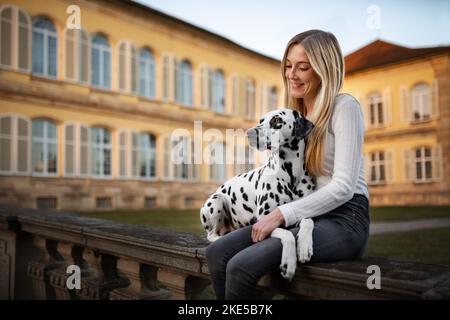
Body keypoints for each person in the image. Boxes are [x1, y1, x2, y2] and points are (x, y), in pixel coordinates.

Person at [205, 30, 370, 300]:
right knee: (217, 252)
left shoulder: (345, 107)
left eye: (303, 67)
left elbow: (343, 187)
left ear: (323, 70)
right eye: (288, 66)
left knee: (240, 266)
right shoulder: (295, 118)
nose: (292, 74)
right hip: (308, 216)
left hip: (345, 219)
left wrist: (281, 214)